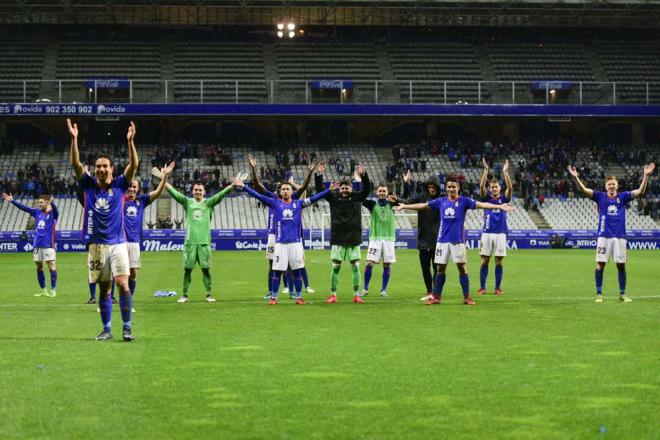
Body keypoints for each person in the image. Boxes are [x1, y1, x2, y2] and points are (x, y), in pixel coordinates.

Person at [68, 118, 138, 341]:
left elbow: (133, 166)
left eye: (104, 166)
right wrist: (74, 139)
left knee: (122, 284)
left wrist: (130, 142)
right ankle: (107, 329)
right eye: (97, 166)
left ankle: (127, 327)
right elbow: (76, 165)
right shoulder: (88, 185)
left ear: (111, 168)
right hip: (96, 247)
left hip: (118, 244)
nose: (100, 169)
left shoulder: (119, 185)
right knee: (105, 289)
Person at [395, 175, 514, 305]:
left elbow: (482, 204)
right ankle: (436, 297)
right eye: (449, 187)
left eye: (453, 187)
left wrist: (500, 207)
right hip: (442, 241)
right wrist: (404, 206)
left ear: (458, 188)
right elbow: (423, 206)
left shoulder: (464, 201)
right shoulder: (441, 201)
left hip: (458, 241)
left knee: (462, 268)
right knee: (440, 269)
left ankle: (467, 297)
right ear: (446, 188)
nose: (451, 189)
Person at [235, 176, 335, 305]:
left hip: (296, 244)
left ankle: (299, 297)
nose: (286, 191)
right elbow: (258, 196)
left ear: (292, 191)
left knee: (297, 271)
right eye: (283, 189)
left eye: (288, 189)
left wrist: (328, 190)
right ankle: (274, 298)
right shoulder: (275, 203)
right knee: (277, 272)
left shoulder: (299, 203)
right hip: (280, 244)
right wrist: (244, 187)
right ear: (280, 192)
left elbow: (314, 198)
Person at [567, 162, 656, 302]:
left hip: (620, 237)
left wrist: (646, 175)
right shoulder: (600, 196)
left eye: (613, 184)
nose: (611, 186)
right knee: (600, 264)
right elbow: (584, 190)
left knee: (621, 265)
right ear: (606, 186)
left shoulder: (623, 197)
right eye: (609, 184)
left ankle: (622, 294)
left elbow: (640, 192)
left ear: (617, 185)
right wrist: (576, 177)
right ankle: (599, 294)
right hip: (604, 236)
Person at [160, 167, 235, 304]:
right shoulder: (187, 202)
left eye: (200, 190)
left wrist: (232, 185)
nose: (198, 192)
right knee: (187, 270)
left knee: (206, 270)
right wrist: (163, 178)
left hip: (204, 243)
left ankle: (208, 294)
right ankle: (184, 295)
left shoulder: (209, 203)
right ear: (192, 191)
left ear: (204, 192)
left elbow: (221, 194)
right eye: (195, 190)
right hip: (190, 242)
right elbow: (174, 192)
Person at [247, 154, 315, 299]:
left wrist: (310, 173)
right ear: (277, 189)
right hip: (274, 235)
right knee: (273, 265)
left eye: (284, 187)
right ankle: (272, 292)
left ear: (289, 190)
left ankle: (292, 291)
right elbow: (258, 186)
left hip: (290, 237)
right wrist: (253, 168)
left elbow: (303, 188)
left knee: (292, 266)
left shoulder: (293, 199)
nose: (281, 189)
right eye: (279, 187)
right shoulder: (272, 198)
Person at [314, 162, 370, 304]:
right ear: (339, 189)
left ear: (351, 189)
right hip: (338, 237)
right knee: (336, 267)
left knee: (355, 266)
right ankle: (333, 294)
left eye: (347, 188)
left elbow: (367, 189)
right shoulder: (334, 197)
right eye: (343, 188)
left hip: (353, 237)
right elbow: (320, 189)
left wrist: (364, 176)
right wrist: (319, 175)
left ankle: (356, 295)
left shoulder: (357, 197)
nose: (344, 190)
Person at [124, 162, 174, 309]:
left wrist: (164, 177)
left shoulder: (142, 201)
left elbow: (158, 191)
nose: (132, 189)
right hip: (119, 242)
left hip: (134, 242)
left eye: (134, 187)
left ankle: (128, 301)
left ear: (138, 189)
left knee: (132, 274)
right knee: (118, 273)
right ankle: (110, 300)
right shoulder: (120, 200)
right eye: (130, 186)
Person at [1, 193, 59, 297]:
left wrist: (53, 203)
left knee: (51, 266)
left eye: (41, 202)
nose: (39, 204)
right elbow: (24, 208)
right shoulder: (37, 212)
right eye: (39, 202)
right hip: (37, 244)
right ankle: (43, 290)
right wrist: (12, 201)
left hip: (48, 245)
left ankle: (53, 290)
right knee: (39, 267)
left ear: (46, 202)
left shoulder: (53, 214)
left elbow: (57, 211)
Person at [396, 170, 441, 301]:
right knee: (425, 269)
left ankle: (436, 292)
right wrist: (398, 197)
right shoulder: (422, 197)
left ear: (437, 187)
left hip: (437, 240)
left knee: (436, 268)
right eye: (429, 187)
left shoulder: (442, 199)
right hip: (423, 239)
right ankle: (429, 291)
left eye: (433, 187)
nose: (431, 189)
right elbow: (406, 201)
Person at [477, 158, 513, 296]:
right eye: (492, 187)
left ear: (499, 188)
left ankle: (497, 288)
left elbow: (510, 188)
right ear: (490, 188)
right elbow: (481, 187)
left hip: (501, 233)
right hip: (487, 233)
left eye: (496, 186)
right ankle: (482, 287)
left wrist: (506, 173)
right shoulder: (486, 199)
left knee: (499, 261)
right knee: (485, 260)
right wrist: (485, 171)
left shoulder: (504, 199)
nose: (494, 188)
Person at [361, 183, 397, 298]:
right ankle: (365, 288)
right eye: (380, 191)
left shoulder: (392, 204)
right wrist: (360, 182)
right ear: (376, 192)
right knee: (369, 263)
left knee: (387, 265)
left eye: (384, 191)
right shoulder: (372, 204)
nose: (382, 193)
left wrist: (406, 184)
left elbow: (401, 203)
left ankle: (383, 290)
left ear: (387, 193)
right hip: (375, 238)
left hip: (389, 239)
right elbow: (361, 198)